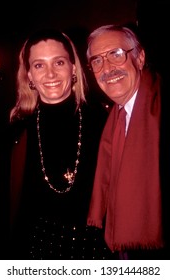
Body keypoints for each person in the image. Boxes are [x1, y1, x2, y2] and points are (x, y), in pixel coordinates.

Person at [8, 28, 117, 260]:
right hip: (36, 252)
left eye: (59, 62)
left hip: (96, 252)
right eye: (39, 65)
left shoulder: (105, 121)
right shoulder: (16, 131)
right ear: (28, 76)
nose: (50, 74)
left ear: (73, 68)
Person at [86, 24, 170, 260]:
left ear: (140, 57)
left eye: (116, 54)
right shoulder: (110, 121)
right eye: (97, 61)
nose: (107, 68)